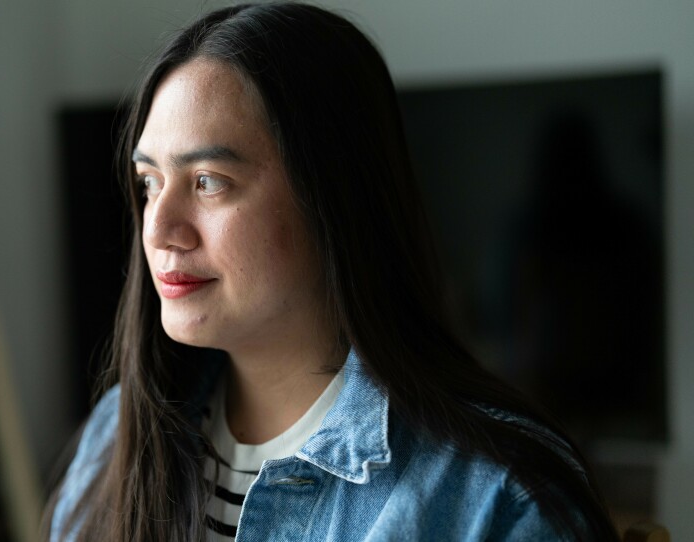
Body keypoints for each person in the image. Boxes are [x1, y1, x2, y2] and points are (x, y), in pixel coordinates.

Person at [45, 3, 619, 541]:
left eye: (208, 181)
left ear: (333, 198)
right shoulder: (116, 434)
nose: (159, 229)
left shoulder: (499, 498)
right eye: (150, 183)